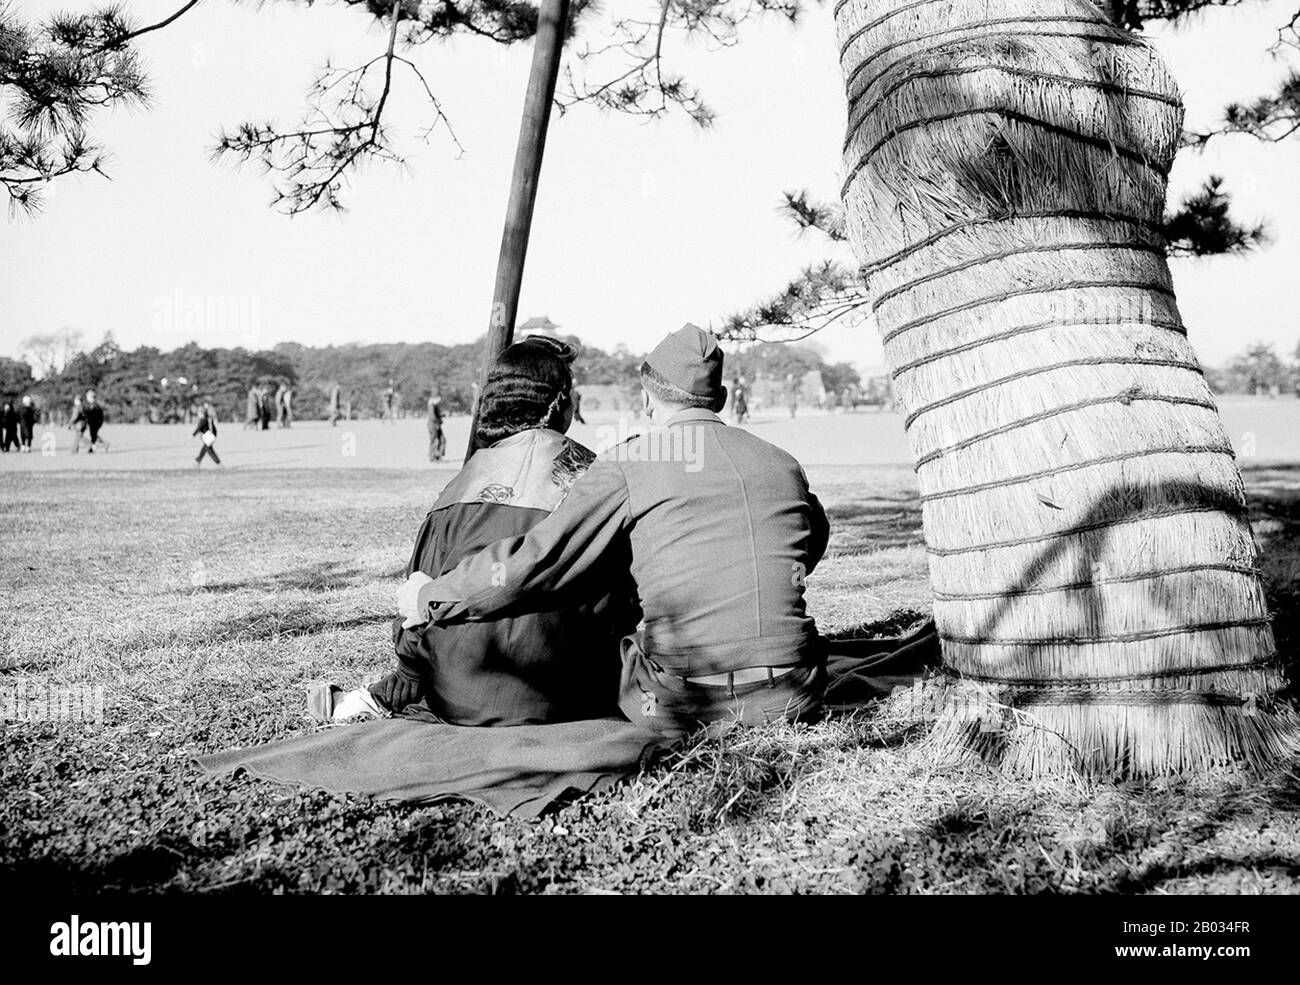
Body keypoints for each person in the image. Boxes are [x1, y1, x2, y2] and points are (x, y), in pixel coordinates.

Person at [399, 324, 830, 736]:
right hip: (799, 692)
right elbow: (808, 543)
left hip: (676, 704)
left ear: (647, 399)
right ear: (719, 397)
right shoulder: (781, 461)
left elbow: (535, 561)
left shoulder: (629, 462)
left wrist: (430, 596)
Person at [311, 336, 636, 727]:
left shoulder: (458, 487)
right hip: (562, 693)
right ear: (558, 401)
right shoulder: (593, 475)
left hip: (455, 692)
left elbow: (417, 601)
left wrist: (410, 678)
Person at [193, 402, 221, 467]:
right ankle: (197, 462)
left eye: (199, 412)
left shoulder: (204, 419)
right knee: (205, 448)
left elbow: (199, 428)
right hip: (210, 434)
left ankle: (218, 463)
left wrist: (193, 435)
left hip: (209, 435)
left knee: (208, 449)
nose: (198, 414)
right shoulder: (206, 418)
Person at [426, 394, 445, 462]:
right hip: (434, 426)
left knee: (442, 440)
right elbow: (433, 417)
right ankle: (433, 457)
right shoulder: (431, 406)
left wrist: (440, 416)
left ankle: (438, 456)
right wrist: (439, 420)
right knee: (434, 441)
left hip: (436, 426)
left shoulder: (434, 406)